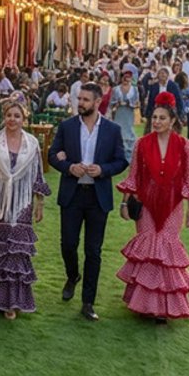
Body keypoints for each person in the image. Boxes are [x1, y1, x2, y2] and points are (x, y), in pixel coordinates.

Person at [116, 93, 189, 321]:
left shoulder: (184, 145)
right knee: (148, 250)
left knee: (166, 252)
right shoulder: (142, 144)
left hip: (173, 207)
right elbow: (133, 176)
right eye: (154, 117)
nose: (156, 122)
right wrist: (125, 202)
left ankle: (163, 309)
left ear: (173, 120)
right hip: (146, 205)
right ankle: (144, 304)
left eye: (162, 118)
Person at [48, 82, 129, 321]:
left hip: (97, 197)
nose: (80, 103)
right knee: (68, 244)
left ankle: (88, 302)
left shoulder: (112, 130)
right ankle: (73, 276)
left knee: (93, 251)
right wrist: (68, 167)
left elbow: (121, 160)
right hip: (72, 195)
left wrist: (103, 170)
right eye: (79, 99)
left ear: (97, 102)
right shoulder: (67, 126)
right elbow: (52, 155)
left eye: (85, 100)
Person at [0, 99, 50, 319]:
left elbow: (38, 174)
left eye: (17, 116)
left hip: (23, 204)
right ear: (3, 117)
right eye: (9, 115)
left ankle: (10, 302)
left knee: (16, 249)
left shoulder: (32, 144)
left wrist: (40, 202)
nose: (12, 120)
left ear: (24, 119)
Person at [110, 70, 140, 160]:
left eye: (128, 78)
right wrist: (117, 103)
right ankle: (119, 153)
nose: (126, 79)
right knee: (119, 130)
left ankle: (130, 154)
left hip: (129, 113)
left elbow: (137, 103)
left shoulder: (134, 89)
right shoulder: (116, 89)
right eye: (124, 77)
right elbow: (111, 103)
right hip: (119, 113)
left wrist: (129, 103)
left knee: (129, 131)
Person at [143, 67, 184, 133]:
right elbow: (150, 101)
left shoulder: (174, 86)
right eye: (160, 73)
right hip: (156, 111)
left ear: (167, 75)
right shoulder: (154, 86)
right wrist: (148, 114)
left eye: (164, 73)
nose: (162, 75)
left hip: (170, 112)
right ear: (158, 75)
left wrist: (180, 114)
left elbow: (179, 100)